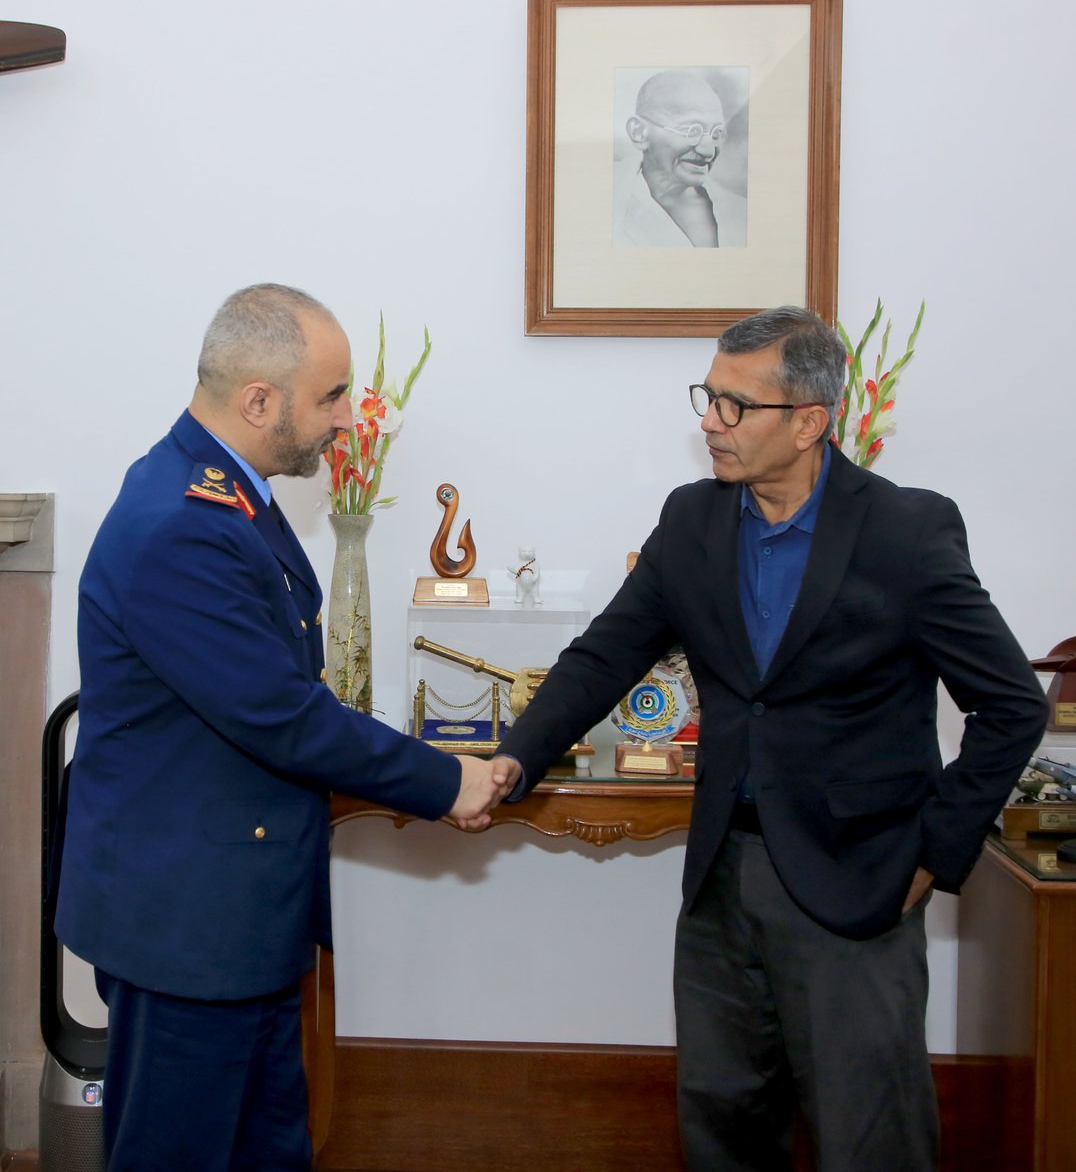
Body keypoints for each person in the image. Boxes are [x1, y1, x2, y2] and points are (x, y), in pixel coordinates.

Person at [495, 306, 1047, 1171]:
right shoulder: (692, 523)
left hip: (857, 880)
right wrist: (514, 756)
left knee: (870, 1135)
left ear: (810, 422)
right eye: (707, 398)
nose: (709, 423)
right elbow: (603, 657)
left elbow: (1013, 703)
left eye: (735, 406)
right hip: (720, 876)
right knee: (722, 1125)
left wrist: (937, 853)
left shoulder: (905, 531)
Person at [55, 283, 520, 1172]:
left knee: (266, 1148)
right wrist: (448, 778)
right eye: (331, 397)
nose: (345, 420)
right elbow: (279, 714)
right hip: (188, 925)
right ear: (258, 401)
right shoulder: (183, 522)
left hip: (235, 910)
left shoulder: (222, 490)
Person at [613, 69, 747, 249]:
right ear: (639, 132)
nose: (708, 152)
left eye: (716, 133)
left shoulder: (740, 212)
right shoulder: (603, 197)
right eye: (691, 130)